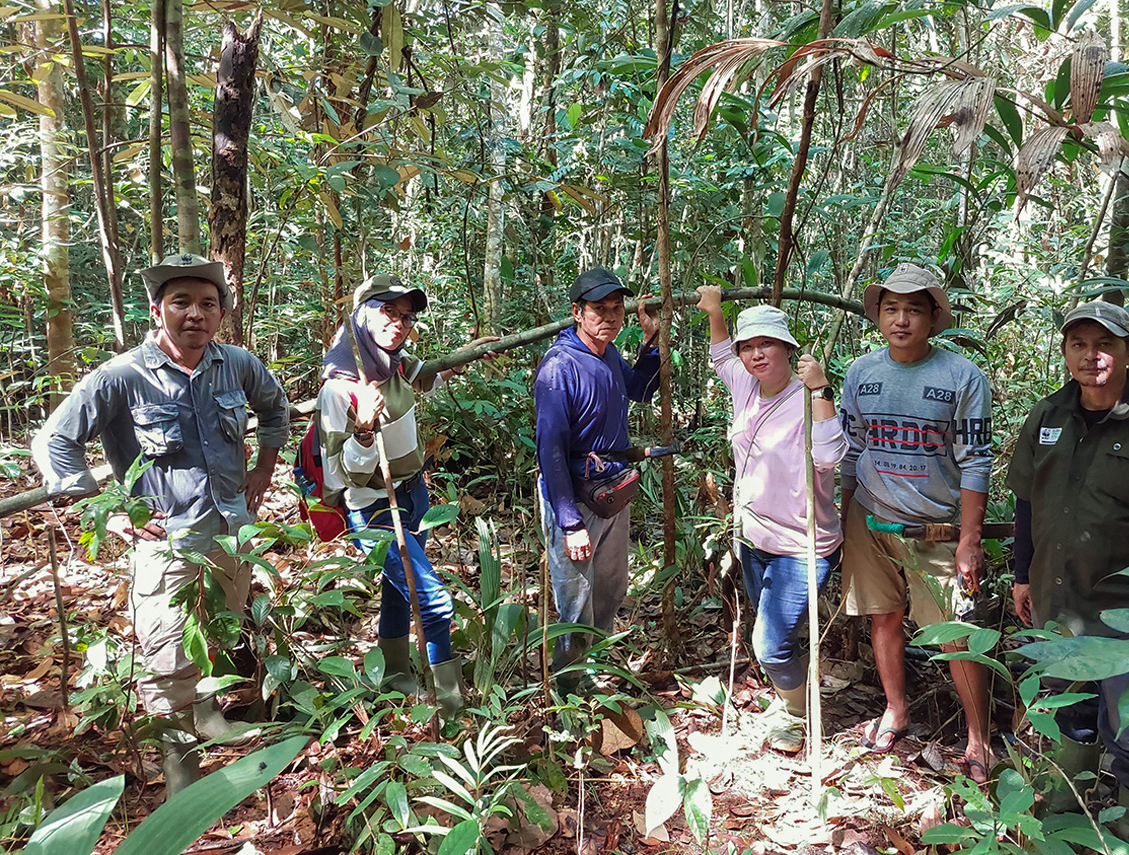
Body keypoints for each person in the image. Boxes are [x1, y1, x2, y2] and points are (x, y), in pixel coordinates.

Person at [33, 253, 289, 798]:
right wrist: (108, 510)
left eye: (207, 304)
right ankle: (181, 773)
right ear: (157, 310)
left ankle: (210, 713)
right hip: (167, 540)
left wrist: (264, 468)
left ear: (221, 314)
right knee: (167, 650)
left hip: (230, 530)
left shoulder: (237, 365)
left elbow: (276, 409)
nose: (195, 314)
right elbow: (55, 440)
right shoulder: (122, 376)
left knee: (221, 624)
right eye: (182, 302)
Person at [1007, 301, 1129, 854]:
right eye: (1078, 343)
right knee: (1064, 716)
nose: (1090, 355)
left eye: (1105, 345)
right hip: (1058, 601)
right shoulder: (1047, 416)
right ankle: (1060, 830)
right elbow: (1026, 501)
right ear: (1066, 351)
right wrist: (1023, 575)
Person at [838, 262, 995, 781]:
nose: (901, 319)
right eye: (891, 309)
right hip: (871, 520)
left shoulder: (962, 377)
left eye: (913, 309)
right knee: (883, 615)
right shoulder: (861, 372)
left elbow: (976, 458)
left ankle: (979, 739)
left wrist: (969, 539)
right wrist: (843, 519)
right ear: (878, 316)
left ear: (933, 317)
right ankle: (896, 711)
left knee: (956, 633)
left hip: (935, 527)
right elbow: (852, 447)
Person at [317, 273, 495, 714]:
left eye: (407, 317)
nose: (399, 323)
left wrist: (469, 354)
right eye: (388, 312)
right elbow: (340, 478)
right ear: (361, 315)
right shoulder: (340, 386)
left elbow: (425, 375)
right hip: (373, 508)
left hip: (413, 495)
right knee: (432, 600)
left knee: (398, 590)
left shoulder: (391, 361)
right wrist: (362, 430)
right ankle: (451, 706)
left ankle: (396, 673)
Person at [697, 287, 846, 752]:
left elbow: (829, 455)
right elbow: (721, 356)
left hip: (802, 545)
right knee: (778, 633)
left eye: (766, 344)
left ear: (787, 348)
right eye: (748, 346)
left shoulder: (807, 397)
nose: (755, 354)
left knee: (769, 642)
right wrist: (715, 310)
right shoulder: (743, 381)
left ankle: (795, 713)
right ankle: (792, 695)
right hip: (754, 537)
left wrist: (821, 390)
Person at [533, 267, 660, 694]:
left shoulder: (608, 355)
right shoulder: (560, 365)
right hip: (574, 494)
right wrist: (568, 521)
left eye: (615, 309)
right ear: (577, 312)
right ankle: (569, 689)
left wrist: (651, 341)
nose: (609, 317)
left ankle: (594, 671)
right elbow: (550, 450)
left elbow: (641, 390)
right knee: (576, 595)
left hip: (611, 488)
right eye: (598, 310)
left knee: (610, 585)